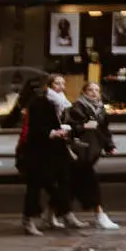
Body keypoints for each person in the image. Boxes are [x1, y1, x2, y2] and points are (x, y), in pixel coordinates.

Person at [21, 74, 82, 235]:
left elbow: (69, 123)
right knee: (36, 185)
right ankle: (29, 219)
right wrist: (51, 132)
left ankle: (57, 213)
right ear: (49, 85)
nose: (61, 86)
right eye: (57, 83)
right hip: (40, 150)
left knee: (65, 182)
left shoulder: (63, 103)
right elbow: (34, 127)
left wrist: (69, 129)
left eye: (63, 83)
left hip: (58, 149)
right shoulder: (40, 102)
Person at [65, 82, 119, 230]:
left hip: (92, 151)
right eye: (90, 90)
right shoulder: (77, 107)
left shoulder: (100, 109)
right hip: (79, 152)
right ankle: (100, 214)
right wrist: (83, 126)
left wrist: (110, 146)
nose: (94, 93)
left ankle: (56, 214)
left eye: (97, 90)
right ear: (84, 92)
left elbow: (104, 130)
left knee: (71, 185)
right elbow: (69, 128)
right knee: (90, 182)